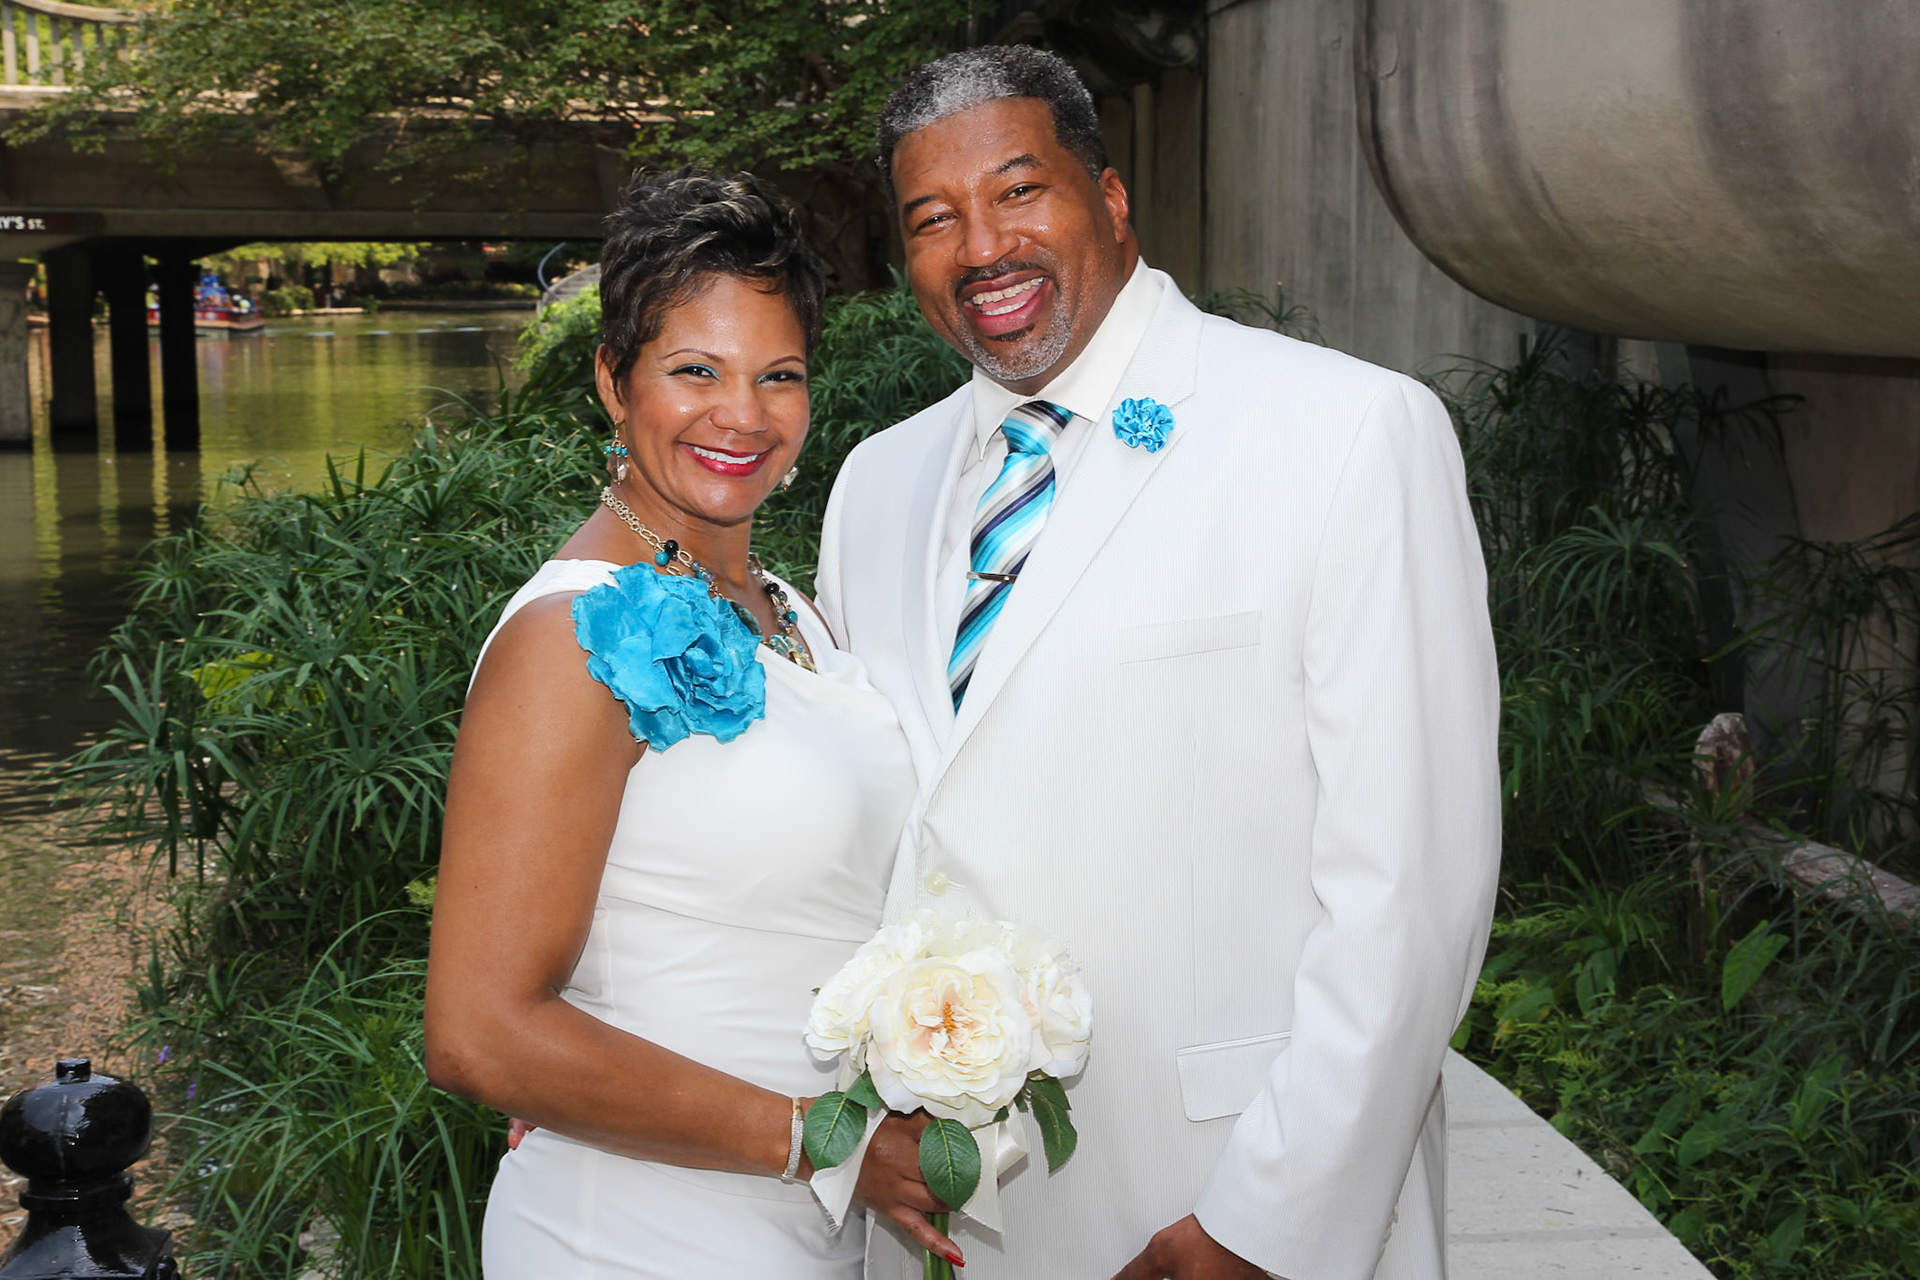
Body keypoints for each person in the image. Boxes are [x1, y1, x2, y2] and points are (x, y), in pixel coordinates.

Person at [815, 48, 1502, 1280]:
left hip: (1220, 1196)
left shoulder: (1344, 431)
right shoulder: (876, 484)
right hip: (951, 1216)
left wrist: (1268, 1222)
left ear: (1111, 197)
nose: (982, 247)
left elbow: (1413, 889)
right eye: (933, 219)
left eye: (1019, 191)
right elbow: (850, 832)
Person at [424, 170, 967, 1277]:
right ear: (613, 382)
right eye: (695, 371)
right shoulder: (568, 637)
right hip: (636, 1234)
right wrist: (824, 1145)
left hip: (804, 1234)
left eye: (779, 376)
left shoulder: (791, 607)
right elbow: (479, 1033)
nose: (743, 415)